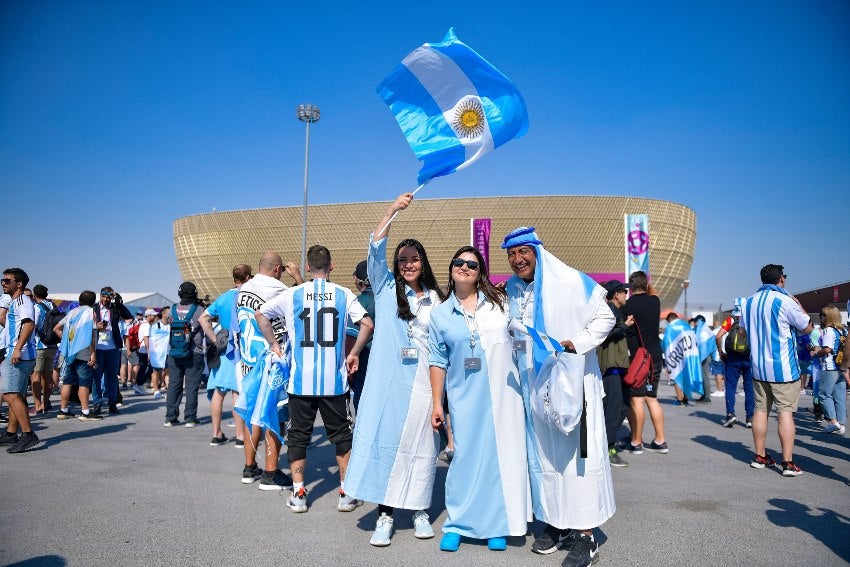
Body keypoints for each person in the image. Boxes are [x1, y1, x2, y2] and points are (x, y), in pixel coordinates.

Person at [503, 227, 615, 567]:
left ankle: (586, 535)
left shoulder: (571, 281)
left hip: (574, 387)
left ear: (538, 250)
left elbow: (606, 316)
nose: (517, 259)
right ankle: (558, 522)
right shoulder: (510, 289)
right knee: (547, 458)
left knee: (580, 459)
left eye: (524, 251)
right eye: (511, 253)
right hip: (537, 390)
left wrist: (573, 344)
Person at [345, 193, 446, 546]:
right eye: (402, 259)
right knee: (386, 448)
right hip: (390, 384)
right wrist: (391, 211)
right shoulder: (387, 288)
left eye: (414, 259)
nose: (408, 264)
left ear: (424, 262)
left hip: (425, 385)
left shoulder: (436, 297)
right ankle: (385, 515)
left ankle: (419, 509)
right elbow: (375, 247)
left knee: (422, 448)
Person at [256, 245, 373, 513]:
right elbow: (367, 325)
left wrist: (275, 345)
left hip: (300, 382)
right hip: (334, 382)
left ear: (307, 268)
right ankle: (345, 492)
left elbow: (260, 314)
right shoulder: (343, 294)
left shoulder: (292, 294)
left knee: (298, 436)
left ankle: (299, 494)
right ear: (331, 267)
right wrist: (354, 353)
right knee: (343, 435)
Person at [429, 244, 529, 553]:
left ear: (480, 272)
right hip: (463, 396)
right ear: (451, 268)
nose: (464, 267)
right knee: (463, 459)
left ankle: (495, 525)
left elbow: (521, 333)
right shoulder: (440, 314)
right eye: (459, 262)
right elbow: (437, 360)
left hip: (502, 396)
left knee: (496, 461)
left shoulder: (499, 303)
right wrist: (436, 403)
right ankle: (458, 523)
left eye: (472, 265)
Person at [236, 252, 302, 488]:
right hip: (271, 362)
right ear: (277, 269)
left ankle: (249, 467)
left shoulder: (243, 289)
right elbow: (304, 303)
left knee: (253, 416)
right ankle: (271, 473)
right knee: (275, 414)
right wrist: (297, 277)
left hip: (248, 361)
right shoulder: (277, 288)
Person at [740, 265, 812, 476]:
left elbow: (743, 332)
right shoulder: (784, 300)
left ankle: (760, 456)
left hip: (758, 367)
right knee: (785, 413)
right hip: (783, 368)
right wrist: (797, 302)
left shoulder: (749, 302)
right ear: (781, 279)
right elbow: (806, 326)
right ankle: (787, 462)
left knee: (760, 410)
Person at [199, 264, 252, 447]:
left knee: (219, 392)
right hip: (241, 350)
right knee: (237, 392)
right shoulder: (247, 297)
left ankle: (216, 433)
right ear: (247, 277)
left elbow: (202, 319)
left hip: (223, 350)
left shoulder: (222, 298)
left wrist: (215, 339)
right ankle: (240, 436)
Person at [621, 271, 667, 455]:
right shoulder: (655, 302)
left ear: (630, 288)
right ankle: (660, 440)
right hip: (655, 357)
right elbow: (654, 292)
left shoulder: (628, 305)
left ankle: (636, 441)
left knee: (637, 399)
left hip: (637, 360)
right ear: (646, 285)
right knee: (651, 398)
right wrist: (648, 285)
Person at [0, 268, 41, 453]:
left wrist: (16, 349)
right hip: (19, 353)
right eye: (2, 280)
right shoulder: (16, 301)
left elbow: (29, 324)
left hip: (19, 355)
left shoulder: (23, 301)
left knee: (10, 395)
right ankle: (10, 434)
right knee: (16, 394)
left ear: (19, 284)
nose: (3, 283)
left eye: (7, 281)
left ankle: (28, 435)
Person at [597, 280, 634, 468]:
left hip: (617, 366)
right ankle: (608, 448)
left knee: (621, 407)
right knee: (613, 409)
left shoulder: (617, 310)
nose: (626, 295)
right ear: (616, 294)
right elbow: (604, 334)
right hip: (609, 366)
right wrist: (625, 327)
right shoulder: (609, 310)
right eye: (624, 292)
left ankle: (605, 443)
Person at [163, 282, 206, 427]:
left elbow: (170, 323)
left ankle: (170, 417)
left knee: (174, 385)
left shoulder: (172, 309)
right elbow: (207, 325)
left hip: (175, 352)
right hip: (194, 352)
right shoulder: (199, 310)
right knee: (192, 386)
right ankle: (190, 418)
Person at [53, 291, 99, 420]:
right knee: (84, 383)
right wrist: (93, 354)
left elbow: (56, 328)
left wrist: (67, 342)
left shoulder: (71, 312)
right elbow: (91, 335)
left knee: (67, 382)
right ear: (93, 301)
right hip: (84, 352)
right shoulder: (90, 312)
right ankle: (85, 412)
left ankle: (63, 410)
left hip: (69, 352)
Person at [91, 286, 133, 415]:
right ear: (100, 296)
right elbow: (86, 325)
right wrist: (95, 327)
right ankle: (97, 404)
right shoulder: (93, 308)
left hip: (113, 347)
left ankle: (112, 404)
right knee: (96, 378)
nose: (105, 299)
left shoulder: (115, 308)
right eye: (103, 296)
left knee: (112, 378)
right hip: (97, 347)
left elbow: (128, 315)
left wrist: (118, 298)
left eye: (108, 296)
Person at [715, 304, 754, 428]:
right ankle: (750, 418)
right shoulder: (751, 319)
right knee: (749, 388)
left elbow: (718, 336)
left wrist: (721, 351)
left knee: (731, 387)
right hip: (748, 358)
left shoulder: (730, 320)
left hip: (732, 358)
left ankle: (731, 414)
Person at [346, 260, 375, 414]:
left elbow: (350, 339)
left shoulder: (357, 303)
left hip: (363, 362)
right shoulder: (390, 301)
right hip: (387, 363)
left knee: (363, 407)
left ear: (357, 280)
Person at [815, 306, 846, 435]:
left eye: (822, 315)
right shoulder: (842, 331)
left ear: (828, 317)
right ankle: (841, 423)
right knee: (839, 396)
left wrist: (817, 352)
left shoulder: (828, 330)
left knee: (824, 395)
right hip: (841, 366)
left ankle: (833, 423)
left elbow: (827, 349)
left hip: (829, 366)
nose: (821, 317)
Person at [31, 284, 58, 414]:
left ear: (34, 294)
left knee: (36, 375)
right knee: (48, 377)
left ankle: (37, 405)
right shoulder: (52, 306)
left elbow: (33, 326)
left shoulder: (36, 307)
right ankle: (45, 403)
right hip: (52, 345)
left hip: (39, 345)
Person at [133, 309, 157, 395]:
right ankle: (139, 384)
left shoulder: (143, 324)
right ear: (149, 315)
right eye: (153, 315)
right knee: (148, 368)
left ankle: (138, 386)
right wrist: (149, 351)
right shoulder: (146, 325)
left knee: (143, 368)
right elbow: (146, 338)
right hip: (144, 350)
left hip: (142, 350)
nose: (155, 317)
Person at [148, 307, 170, 399]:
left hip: (169, 352)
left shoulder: (172, 325)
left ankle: (170, 391)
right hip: (157, 353)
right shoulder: (155, 326)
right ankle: (156, 391)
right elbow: (152, 340)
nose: (171, 315)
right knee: (156, 372)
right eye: (169, 313)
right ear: (164, 314)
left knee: (168, 372)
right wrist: (150, 352)